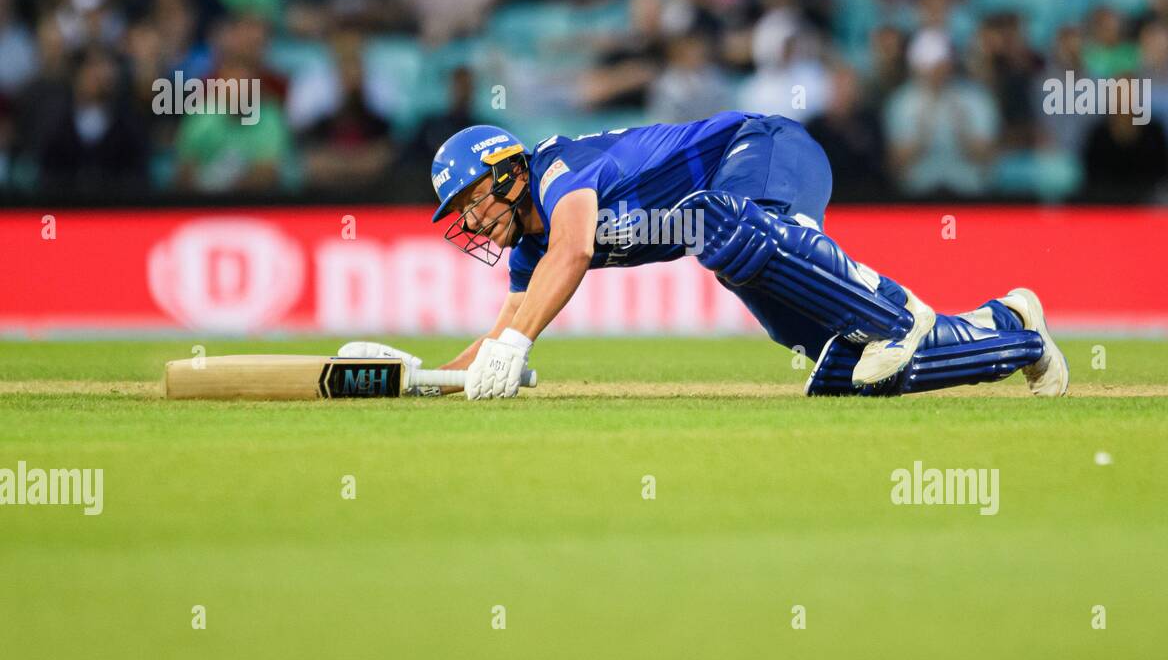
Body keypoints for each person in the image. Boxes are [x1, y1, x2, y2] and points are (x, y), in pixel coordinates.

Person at [343, 112, 1068, 401]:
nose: (469, 220)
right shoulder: (529, 245)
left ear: (506, 172)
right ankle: (1016, 329)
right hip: (739, 223)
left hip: (769, 149)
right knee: (841, 369)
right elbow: (504, 327)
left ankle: (894, 312)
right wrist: (426, 379)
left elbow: (573, 248)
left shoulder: (558, 171)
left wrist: (517, 341)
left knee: (725, 225)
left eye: (471, 199)